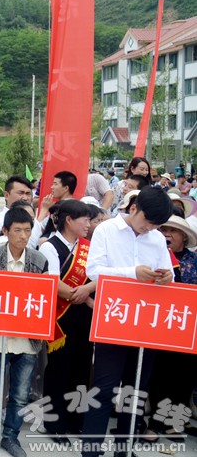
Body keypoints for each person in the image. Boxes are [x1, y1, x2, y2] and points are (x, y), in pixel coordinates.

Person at [80, 186, 174, 457]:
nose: (150, 228)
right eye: (148, 221)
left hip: (145, 324)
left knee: (135, 390)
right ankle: (91, 450)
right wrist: (132, 273)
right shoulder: (106, 231)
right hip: (114, 319)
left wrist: (167, 277)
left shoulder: (156, 239)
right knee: (104, 388)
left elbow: (169, 275)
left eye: (156, 225)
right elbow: (94, 271)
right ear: (133, 208)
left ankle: (125, 449)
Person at [0, 207, 49, 457]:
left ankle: (11, 437)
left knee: (20, 394)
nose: (23, 236)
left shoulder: (39, 261)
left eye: (27, 230)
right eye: (17, 230)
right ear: (5, 231)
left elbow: (43, 301)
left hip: (27, 340)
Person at [36, 199, 94, 442]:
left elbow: (99, 275)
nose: (89, 224)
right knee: (59, 371)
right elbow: (53, 282)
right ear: (69, 220)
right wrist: (83, 296)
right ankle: (54, 424)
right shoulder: (50, 247)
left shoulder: (88, 247)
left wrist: (87, 291)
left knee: (82, 369)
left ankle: (75, 421)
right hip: (61, 317)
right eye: (85, 220)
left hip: (84, 318)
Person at [144, 215, 197, 438]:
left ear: (183, 237)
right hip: (160, 326)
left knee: (185, 377)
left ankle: (176, 422)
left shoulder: (194, 261)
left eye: (173, 231)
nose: (167, 234)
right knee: (160, 375)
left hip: (190, 328)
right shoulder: (156, 257)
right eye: (163, 230)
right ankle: (156, 424)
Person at [0, 176, 36, 251]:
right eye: (20, 193)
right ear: (6, 195)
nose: (25, 198)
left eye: (28, 193)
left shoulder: (35, 222)